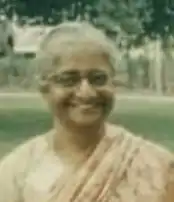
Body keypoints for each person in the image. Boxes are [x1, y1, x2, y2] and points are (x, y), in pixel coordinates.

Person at [0, 21, 174, 202]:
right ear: (45, 88)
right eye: (69, 79)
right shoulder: (17, 173)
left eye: (98, 78)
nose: (86, 92)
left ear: (113, 83)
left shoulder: (157, 166)